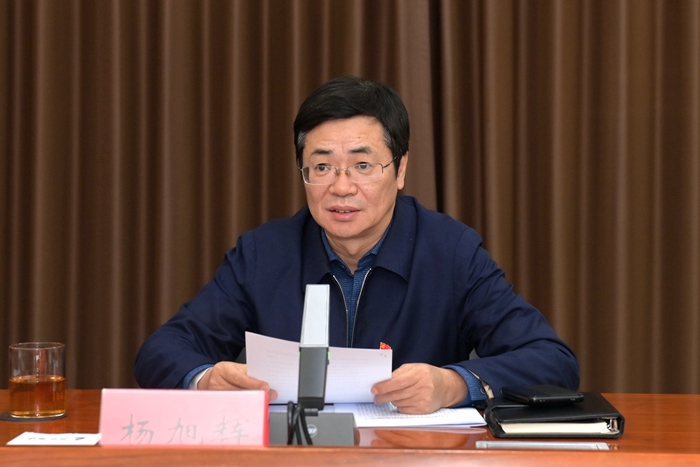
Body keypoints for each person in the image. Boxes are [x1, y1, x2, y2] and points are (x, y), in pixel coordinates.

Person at [134, 76, 579, 414]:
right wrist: (204, 378)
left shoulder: (450, 252)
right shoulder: (264, 253)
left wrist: (455, 384)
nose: (341, 187)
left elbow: (553, 361)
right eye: (322, 167)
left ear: (400, 170)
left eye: (363, 165)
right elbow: (163, 350)